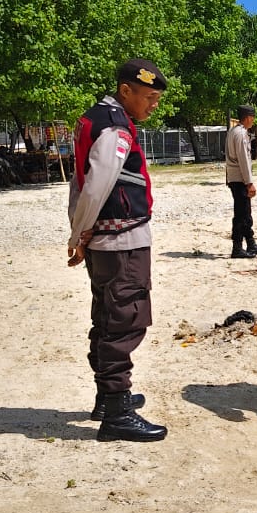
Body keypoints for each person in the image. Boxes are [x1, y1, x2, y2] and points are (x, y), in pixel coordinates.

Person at [67, 58, 169, 442]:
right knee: (125, 320)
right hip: (120, 241)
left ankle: (107, 398)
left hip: (104, 242)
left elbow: (79, 181)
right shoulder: (116, 127)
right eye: (149, 97)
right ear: (126, 91)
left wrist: (78, 234)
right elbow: (95, 186)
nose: (153, 105)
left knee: (107, 316)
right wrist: (81, 233)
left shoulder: (96, 118)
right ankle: (116, 411)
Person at [225, 105, 257, 258]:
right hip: (240, 179)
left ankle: (250, 243)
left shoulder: (233, 131)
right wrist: (249, 182)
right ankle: (237, 247)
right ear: (248, 117)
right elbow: (243, 159)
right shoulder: (241, 134)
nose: (253, 121)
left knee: (245, 212)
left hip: (234, 177)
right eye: (253, 117)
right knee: (241, 214)